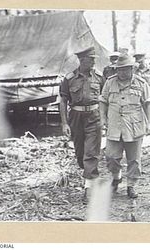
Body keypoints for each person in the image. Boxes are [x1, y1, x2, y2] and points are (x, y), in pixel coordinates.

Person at [99, 54, 150, 198]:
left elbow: (149, 103)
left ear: (132, 69)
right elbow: (103, 101)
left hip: (134, 127)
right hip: (114, 126)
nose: (122, 73)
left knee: (134, 160)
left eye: (125, 70)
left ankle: (131, 185)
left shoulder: (141, 83)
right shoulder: (110, 82)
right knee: (111, 156)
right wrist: (102, 118)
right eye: (119, 70)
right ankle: (117, 177)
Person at [59, 46, 104, 202]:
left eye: (94, 59)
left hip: (94, 116)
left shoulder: (99, 77)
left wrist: (104, 118)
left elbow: (105, 99)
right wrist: (65, 124)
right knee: (80, 153)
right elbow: (63, 101)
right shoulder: (69, 78)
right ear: (82, 60)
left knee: (91, 152)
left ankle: (89, 187)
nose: (93, 62)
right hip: (76, 117)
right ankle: (89, 177)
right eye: (90, 59)